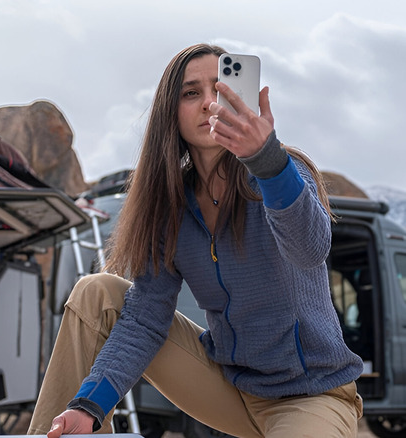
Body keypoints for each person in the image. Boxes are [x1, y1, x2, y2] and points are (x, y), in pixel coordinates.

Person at [28, 43, 364, 438]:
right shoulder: (170, 205)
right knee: (96, 292)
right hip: (227, 387)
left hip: (311, 397)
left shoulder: (283, 171)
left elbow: (310, 250)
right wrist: (90, 405)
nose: (209, 103)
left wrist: (267, 161)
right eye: (191, 93)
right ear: (172, 112)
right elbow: (144, 318)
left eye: (220, 90)